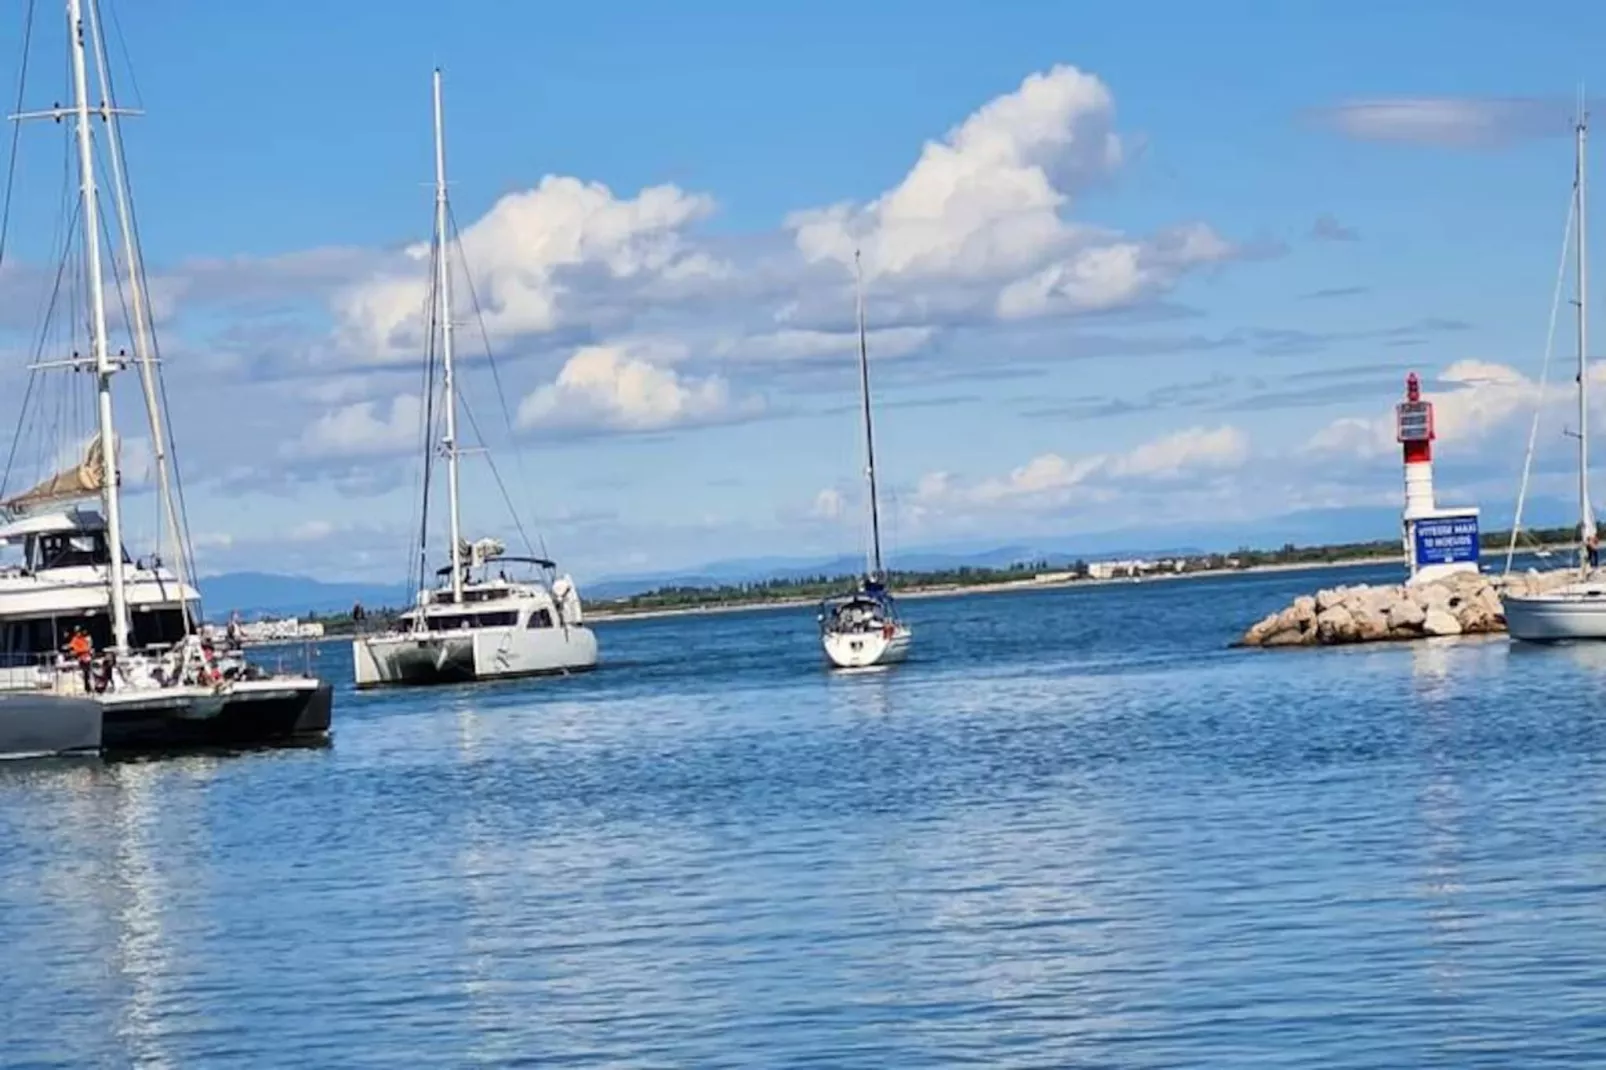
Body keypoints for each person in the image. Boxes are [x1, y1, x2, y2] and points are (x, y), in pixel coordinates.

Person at [66, 626, 92, 692]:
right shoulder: (74, 639)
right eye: (77, 632)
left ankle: (89, 686)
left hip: (87, 657)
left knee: (88, 672)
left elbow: (87, 647)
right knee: (85, 672)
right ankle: (87, 687)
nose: (79, 633)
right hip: (81, 658)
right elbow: (73, 648)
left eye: (79, 632)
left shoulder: (84, 639)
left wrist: (87, 649)